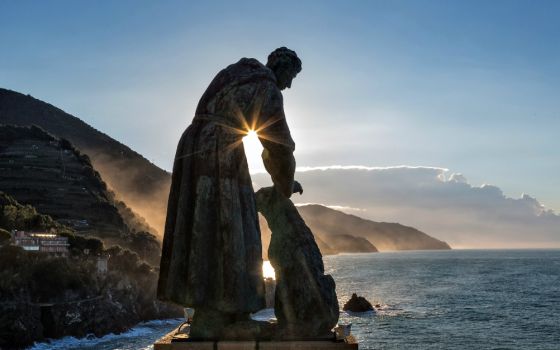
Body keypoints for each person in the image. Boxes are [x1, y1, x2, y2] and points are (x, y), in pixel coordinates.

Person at [158, 47, 301, 338]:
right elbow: (279, 144)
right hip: (219, 149)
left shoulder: (237, 72)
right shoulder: (268, 88)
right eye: (291, 76)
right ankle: (225, 311)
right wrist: (286, 184)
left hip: (192, 144)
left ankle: (219, 311)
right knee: (233, 225)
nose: (289, 84)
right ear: (282, 70)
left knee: (201, 223)